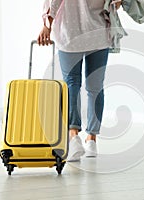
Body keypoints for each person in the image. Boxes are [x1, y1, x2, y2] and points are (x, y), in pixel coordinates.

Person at [37, 0, 121, 162]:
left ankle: (73, 137)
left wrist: (47, 25)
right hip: (98, 33)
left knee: (72, 85)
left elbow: (53, 3)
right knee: (95, 88)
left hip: (69, 33)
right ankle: (92, 140)